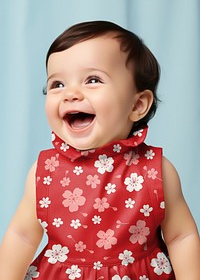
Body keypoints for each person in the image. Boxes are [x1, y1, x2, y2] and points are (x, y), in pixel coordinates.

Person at [0, 20, 199, 280]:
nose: (70, 93)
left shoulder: (155, 169)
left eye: (92, 80)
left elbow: (181, 236)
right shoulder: (45, 171)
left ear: (138, 104)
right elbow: (22, 235)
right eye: (57, 84)